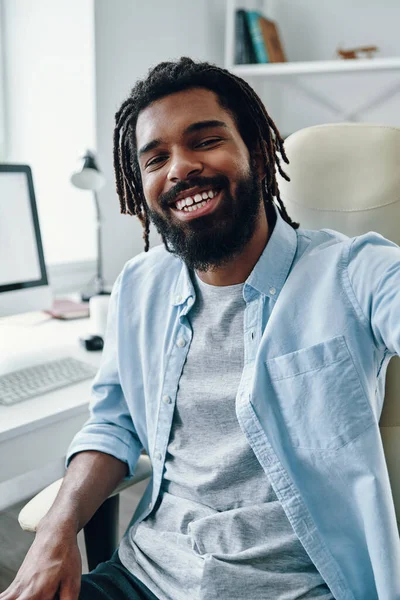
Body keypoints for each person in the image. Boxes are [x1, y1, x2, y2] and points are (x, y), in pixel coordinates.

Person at [2, 56, 400, 600]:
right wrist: (57, 529)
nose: (179, 168)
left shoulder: (353, 272)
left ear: (256, 151)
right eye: (156, 158)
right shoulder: (140, 286)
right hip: (141, 578)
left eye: (205, 140)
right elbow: (112, 427)